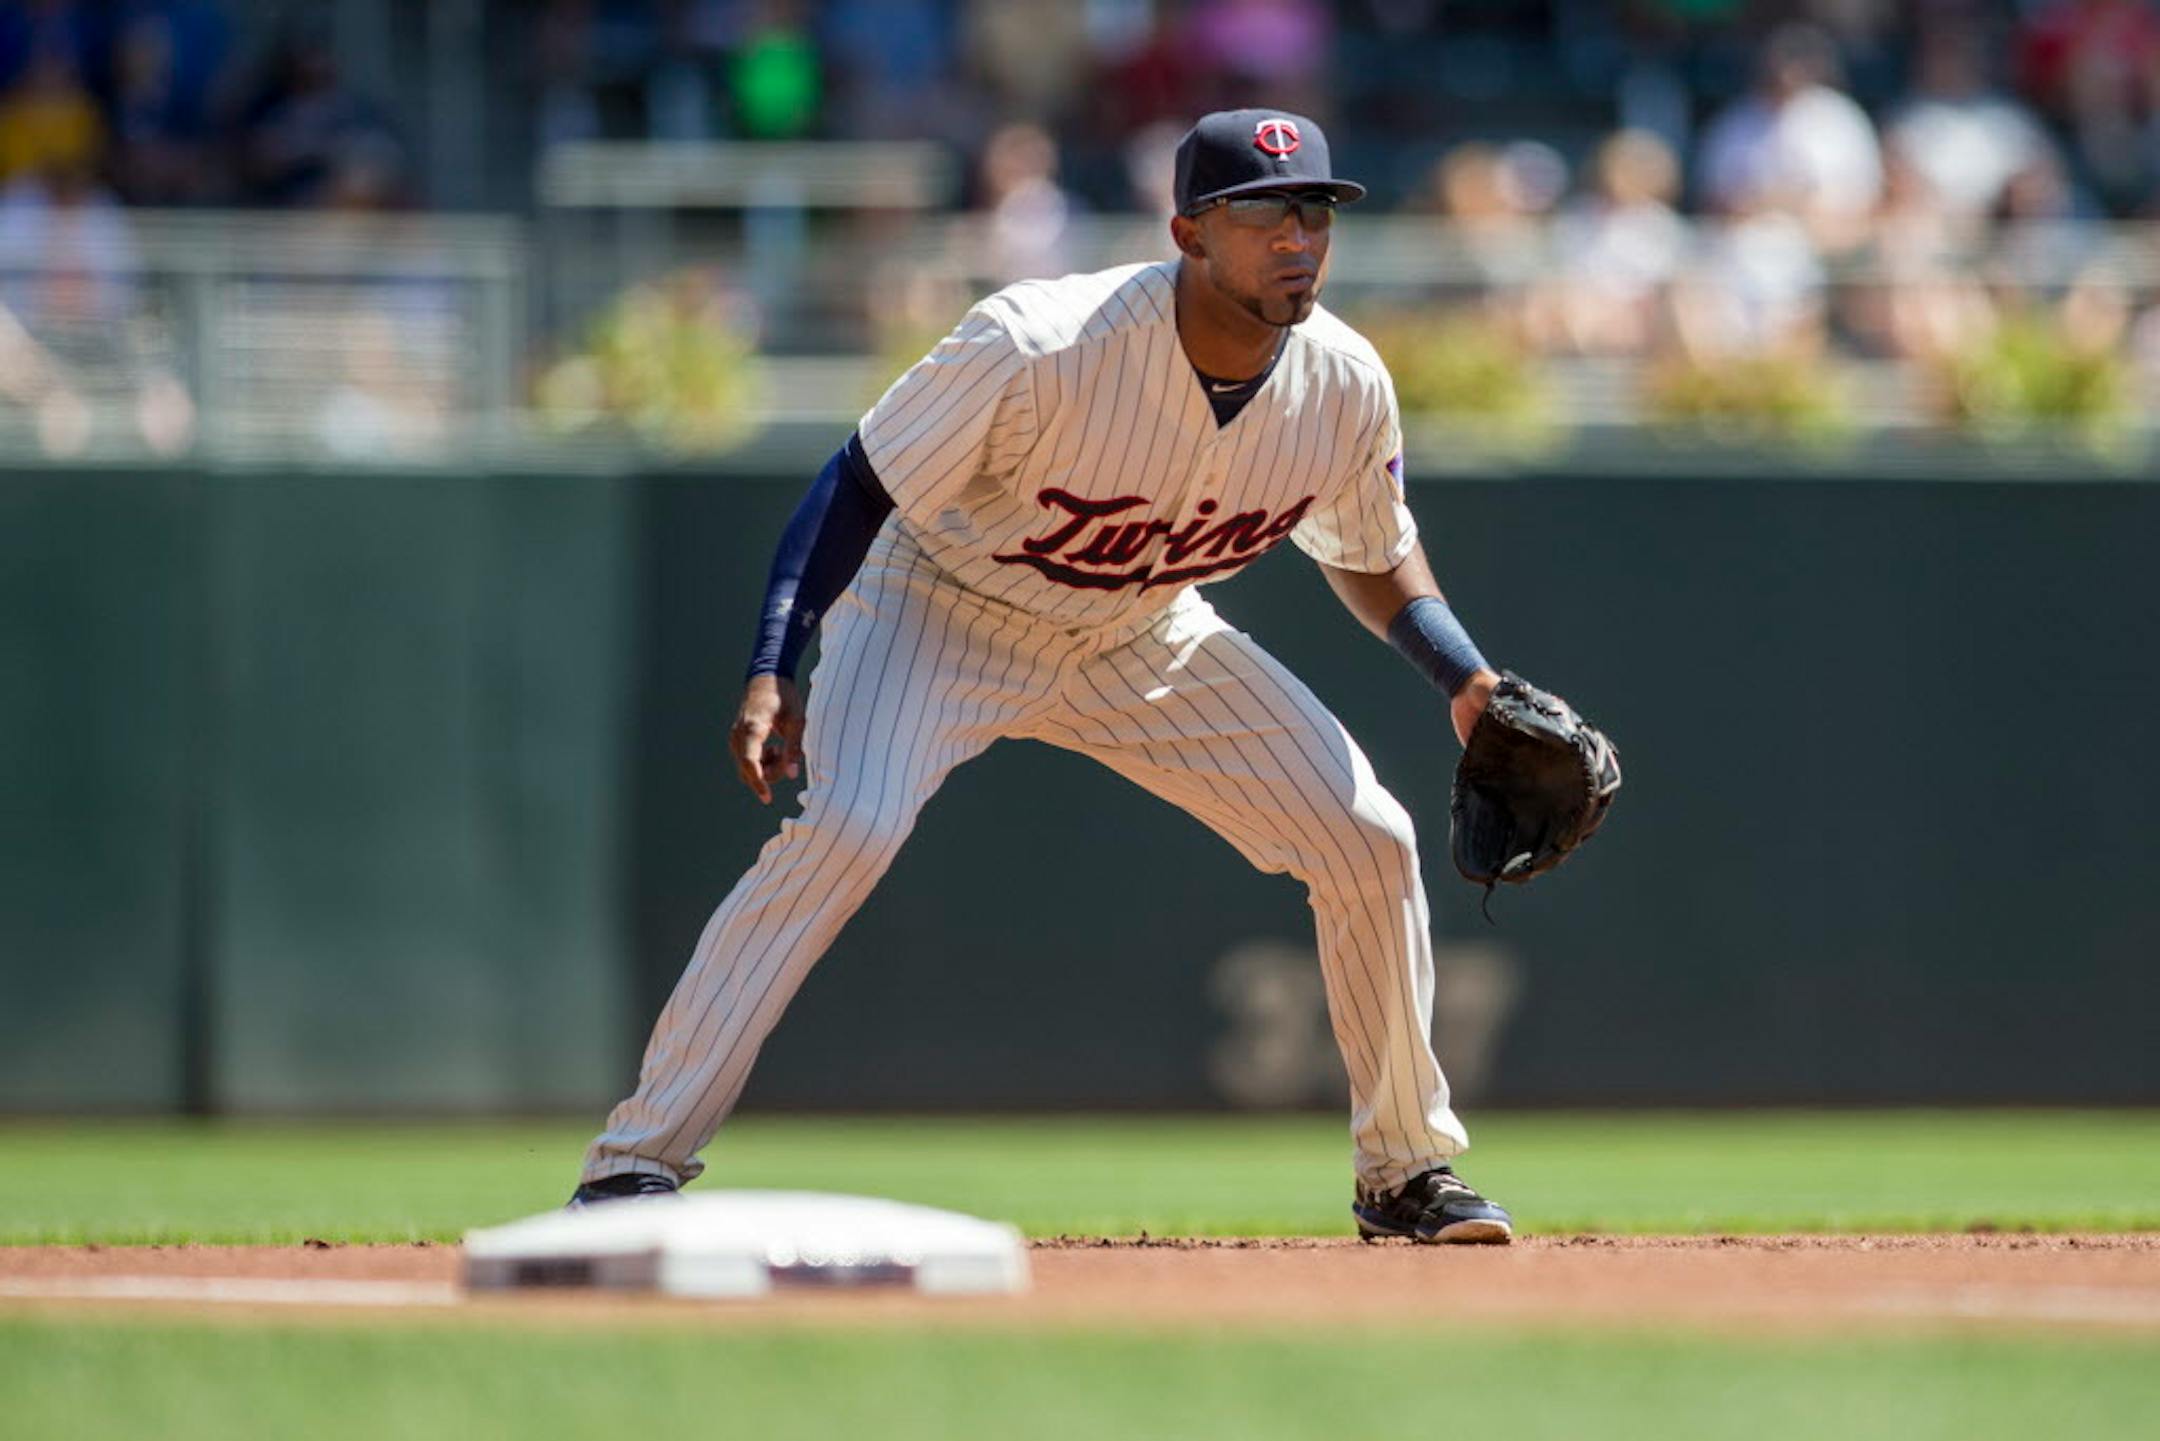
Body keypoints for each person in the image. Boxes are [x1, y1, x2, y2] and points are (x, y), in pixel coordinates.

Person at [571, 109, 1516, 1244]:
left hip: (1140, 633)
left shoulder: (1344, 381)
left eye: (1315, 210)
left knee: (1368, 835)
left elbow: (1372, 551)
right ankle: (634, 1164)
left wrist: (1463, 678)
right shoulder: (1038, 341)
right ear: (1188, 231)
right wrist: (776, 659)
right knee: (851, 826)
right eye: (1262, 211)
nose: (1297, 236)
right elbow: (860, 483)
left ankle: (1404, 1171)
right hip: (941, 608)